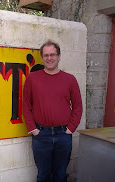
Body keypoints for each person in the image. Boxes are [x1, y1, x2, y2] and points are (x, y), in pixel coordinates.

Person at [23, 40, 83, 182]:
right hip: (41, 134)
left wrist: (70, 129)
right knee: (43, 174)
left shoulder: (70, 79)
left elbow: (78, 106)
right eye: (46, 55)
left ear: (59, 56)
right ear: (42, 57)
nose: (49, 58)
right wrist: (33, 129)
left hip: (63, 134)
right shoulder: (32, 78)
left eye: (52, 55)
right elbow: (26, 105)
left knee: (60, 174)